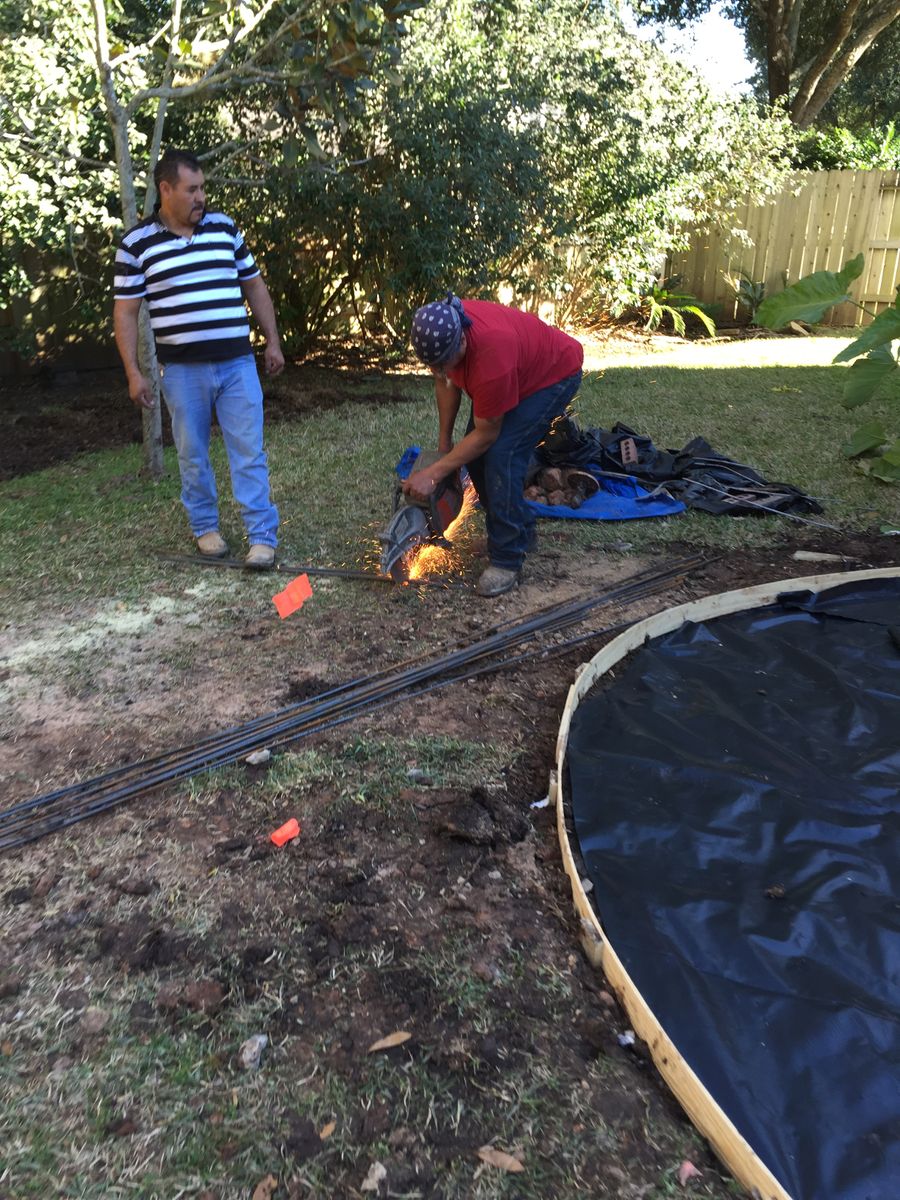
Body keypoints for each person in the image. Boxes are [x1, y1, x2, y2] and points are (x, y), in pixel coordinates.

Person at [113, 148, 283, 568]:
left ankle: (262, 537)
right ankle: (206, 528)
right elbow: (126, 311)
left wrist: (273, 342)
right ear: (165, 189)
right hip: (183, 372)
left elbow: (255, 287)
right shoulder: (136, 244)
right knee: (192, 454)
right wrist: (134, 372)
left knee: (249, 450)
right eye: (192, 189)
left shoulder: (225, 229)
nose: (201, 197)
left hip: (237, 363)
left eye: (203, 188)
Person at [405, 294, 584, 597]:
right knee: (475, 459)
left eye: (446, 363)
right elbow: (445, 381)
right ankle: (517, 530)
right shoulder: (441, 334)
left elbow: (487, 435)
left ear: (462, 339)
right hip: (519, 370)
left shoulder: (491, 355)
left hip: (552, 376)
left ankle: (506, 559)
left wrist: (433, 473)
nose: (443, 370)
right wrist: (444, 447)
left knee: (502, 455)